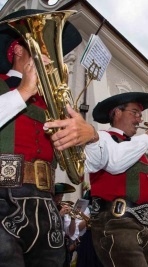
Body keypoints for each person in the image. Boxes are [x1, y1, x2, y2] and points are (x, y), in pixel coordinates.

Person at [0, 8, 92, 267]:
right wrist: (24, 91)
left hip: (45, 202)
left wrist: (90, 135)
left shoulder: (51, 103)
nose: (51, 58)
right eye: (42, 50)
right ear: (18, 50)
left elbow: (81, 166)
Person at [81, 92, 148, 267]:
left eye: (140, 115)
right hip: (116, 224)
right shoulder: (102, 137)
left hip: (143, 226)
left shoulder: (138, 149)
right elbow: (115, 163)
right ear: (117, 113)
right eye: (134, 112)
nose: (139, 120)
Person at [53, 183, 78, 267]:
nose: (60, 199)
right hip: (52, 247)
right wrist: (59, 215)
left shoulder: (60, 207)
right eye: (58, 196)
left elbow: (70, 232)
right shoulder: (48, 208)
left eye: (61, 196)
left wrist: (73, 219)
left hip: (63, 246)